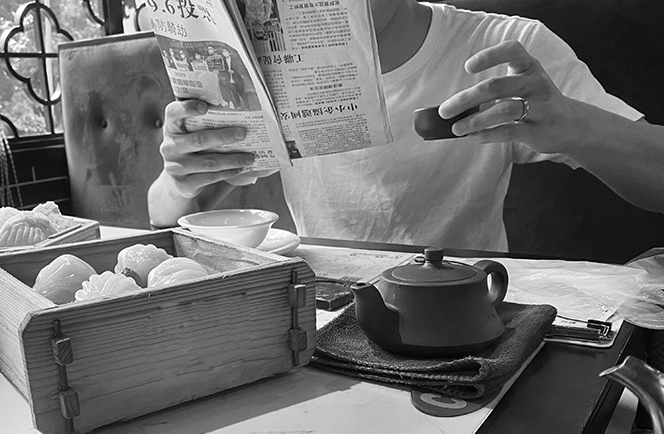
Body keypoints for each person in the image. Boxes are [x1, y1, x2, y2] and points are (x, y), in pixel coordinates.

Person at [148, 0, 664, 251]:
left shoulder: (503, 47)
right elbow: (164, 217)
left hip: (465, 307)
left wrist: (574, 124)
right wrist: (178, 178)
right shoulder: (262, 65)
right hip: (320, 311)